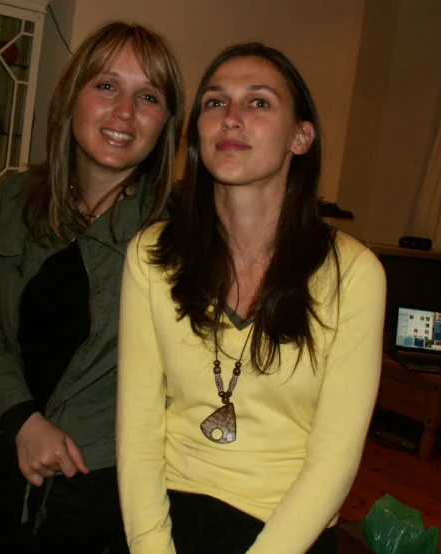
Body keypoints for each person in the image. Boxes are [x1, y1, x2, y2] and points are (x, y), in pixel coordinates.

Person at [116, 43, 386, 554]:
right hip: (169, 514)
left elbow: (335, 457)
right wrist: (151, 547)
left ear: (301, 136)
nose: (231, 119)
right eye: (215, 103)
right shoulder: (151, 257)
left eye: (259, 103)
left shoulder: (354, 274)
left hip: (285, 527)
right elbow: (137, 429)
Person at [0, 21, 184, 552]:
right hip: (3, 448)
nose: (124, 111)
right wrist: (23, 422)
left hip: (97, 482)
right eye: (106, 85)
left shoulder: (179, 236)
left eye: (148, 95)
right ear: (72, 96)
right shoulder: (16, 198)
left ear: (166, 121)